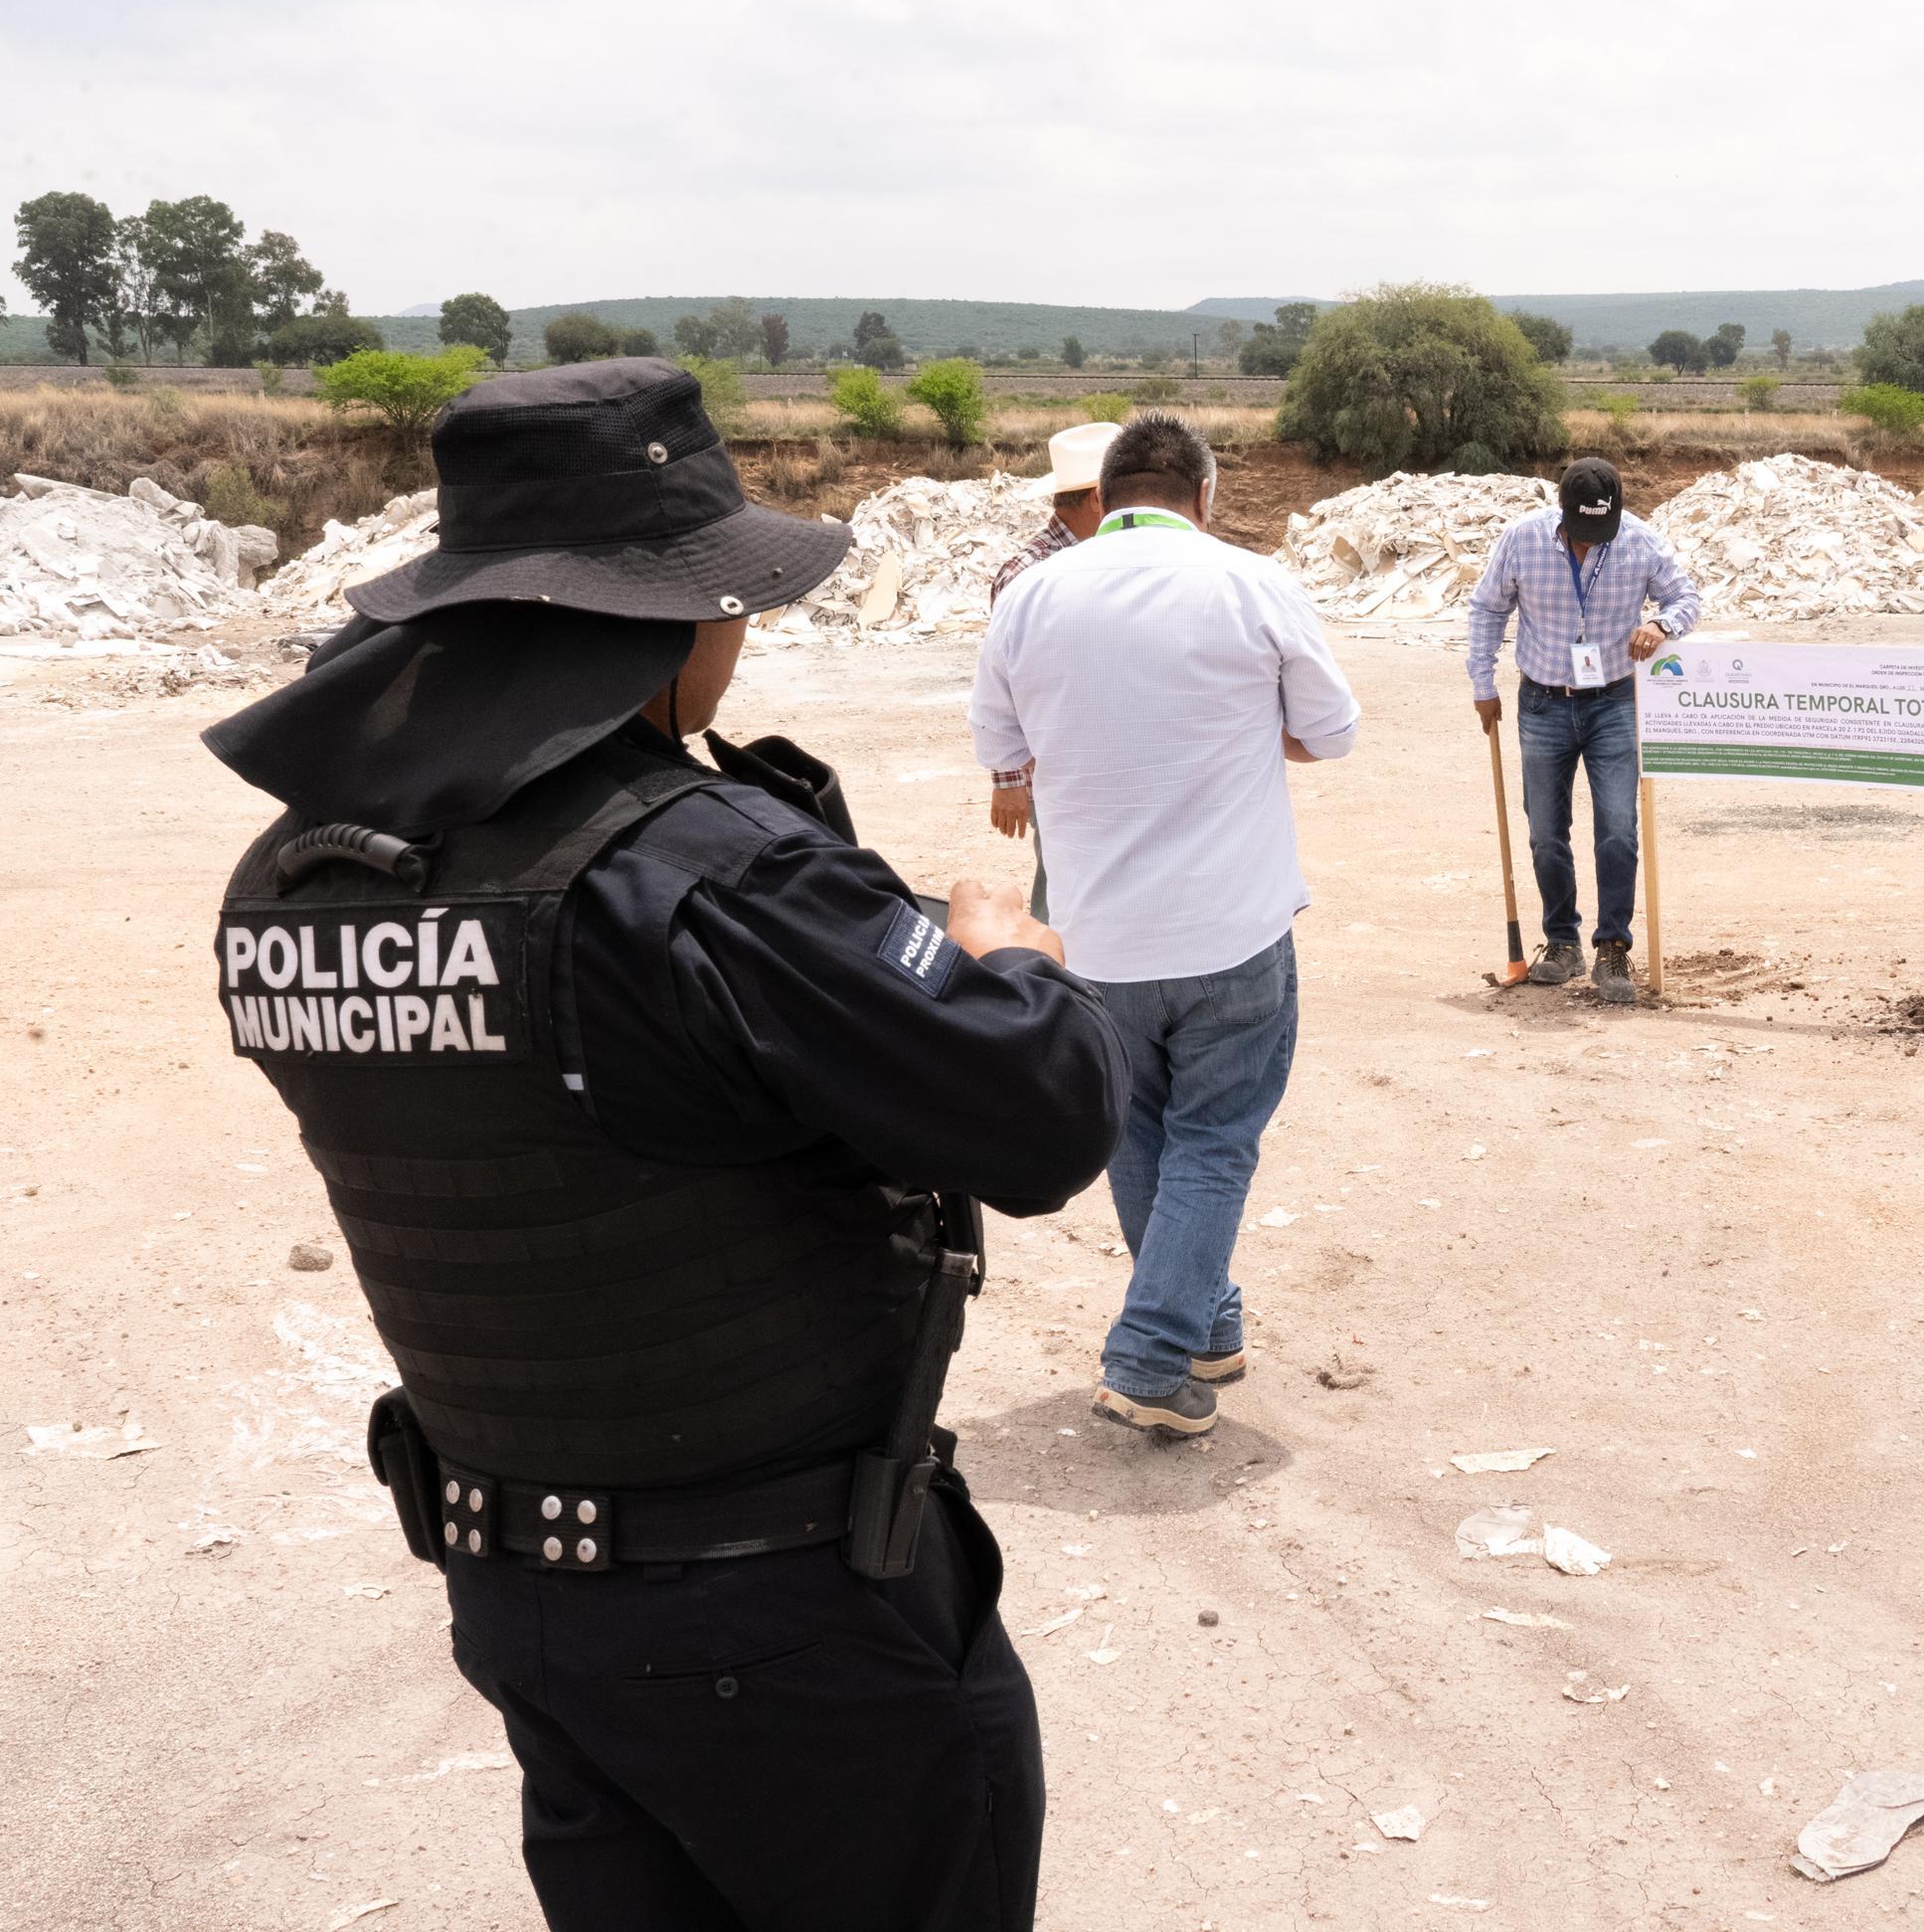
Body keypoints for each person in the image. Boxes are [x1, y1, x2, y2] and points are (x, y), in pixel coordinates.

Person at [204, 358, 1128, 1932]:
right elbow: (1039, 1123)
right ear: (663, 612)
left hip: (519, 1591)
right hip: (782, 1614)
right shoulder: (702, 874)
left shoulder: (294, 877)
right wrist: (1005, 961)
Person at [968, 413, 1359, 1439]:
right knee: (1216, 1138)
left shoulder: (1032, 595)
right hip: (1231, 925)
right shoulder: (1251, 583)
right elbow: (1333, 731)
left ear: (1107, 491)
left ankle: (1207, 1324)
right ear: (1208, 494)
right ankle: (1148, 1356)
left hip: (1095, 931)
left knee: (1138, 1132)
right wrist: (1238, 725)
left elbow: (1000, 742)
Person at [1465, 456, 1700, 1004]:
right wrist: (1483, 683)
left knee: (1618, 827)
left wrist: (1661, 624)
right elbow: (1486, 609)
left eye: (1603, 530)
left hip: (1615, 701)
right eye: (1583, 531)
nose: (1592, 543)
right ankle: (1562, 942)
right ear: (1562, 510)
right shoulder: (1521, 539)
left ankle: (1612, 947)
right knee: (1546, 830)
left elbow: (1687, 597)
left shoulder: (1641, 541)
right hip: (1542, 701)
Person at [987, 422, 1120, 921]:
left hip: (1102, 760)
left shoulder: (1100, 563)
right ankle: (1051, 985)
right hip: (1061, 768)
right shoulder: (1029, 574)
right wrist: (1007, 778)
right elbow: (1005, 683)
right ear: (1098, 499)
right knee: (1064, 891)